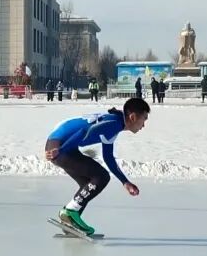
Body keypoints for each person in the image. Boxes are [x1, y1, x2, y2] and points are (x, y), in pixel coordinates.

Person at [43, 97, 149, 236]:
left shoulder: (116, 123)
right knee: (101, 177)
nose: (144, 125)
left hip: (63, 145)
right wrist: (60, 150)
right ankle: (70, 212)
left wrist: (125, 182)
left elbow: (108, 157)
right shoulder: (113, 123)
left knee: (88, 183)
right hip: (60, 146)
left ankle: (70, 222)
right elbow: (84, 132)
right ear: (133, 117)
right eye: (144, 119)